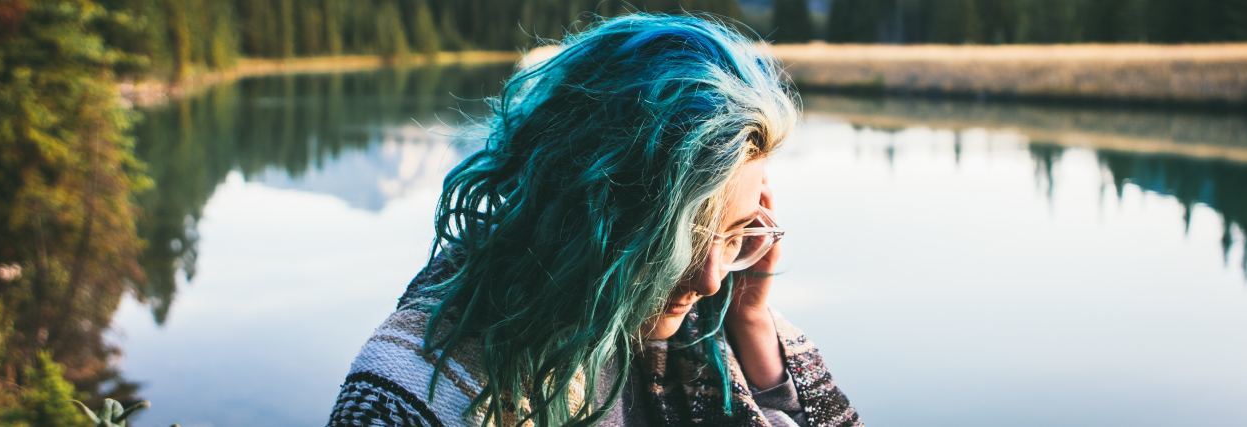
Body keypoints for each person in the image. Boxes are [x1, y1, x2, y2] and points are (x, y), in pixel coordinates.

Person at [327, 13, 862, 426]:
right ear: (589, 205)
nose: (710, 281)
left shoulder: (714, 327)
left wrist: (752, 323)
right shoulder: (410, 393)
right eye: (679, 238)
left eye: (736, 235)